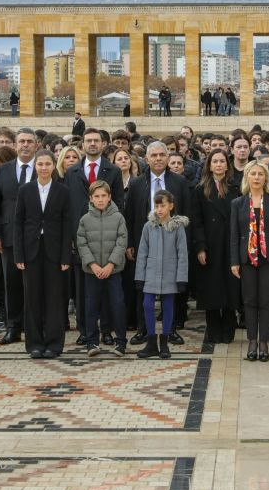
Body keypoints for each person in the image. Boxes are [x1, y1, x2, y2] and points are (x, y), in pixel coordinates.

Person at [123, 142, 191, 345]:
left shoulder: (179, 182)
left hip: (172, 243)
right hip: (145, 245)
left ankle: (172, 330)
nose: (159, 158)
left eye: (162, 154)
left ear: (168, 157)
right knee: (143, 289)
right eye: (154, 155)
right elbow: (131, 216)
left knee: (173, 290)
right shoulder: (136, 184)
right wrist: (131, 243)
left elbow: (186, 212)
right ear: (147, 158)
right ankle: (144, 329)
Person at [13, 149, 73, 358]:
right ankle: (35, 344)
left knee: (54, 299)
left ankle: (54, 344)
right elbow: (18, 223)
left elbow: (68, 224)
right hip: (31, 251)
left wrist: (66, 255)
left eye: (48, 164)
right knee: (32, 299)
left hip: (55, 252)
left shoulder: (63, 191)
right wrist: (18, 255)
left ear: (53, 166)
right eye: (40, 164)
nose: (44, 168)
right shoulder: (25, 190)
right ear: (35, 166)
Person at [64, 129, 122, 342]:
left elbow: (119, 207)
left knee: (105, 288)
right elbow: (68, 208)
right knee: (82, 290)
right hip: (81, 239)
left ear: (104, 144)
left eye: (96, 141)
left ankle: (106, 331)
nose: (92, 144)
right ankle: (85, 331)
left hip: (107, 238)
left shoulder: (113, 170)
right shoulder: (72, 172)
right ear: (82, 145)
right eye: (88, 141)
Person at [231, 160, 269, 361]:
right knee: (250, 301)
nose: (256, 177)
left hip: (268, 258)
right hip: (246, 258)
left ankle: (264, 342)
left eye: (260, 174)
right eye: (253, 174)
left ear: (266, 178)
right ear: (247, 177)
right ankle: (252, 341)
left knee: (266, 301)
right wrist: (234, 261)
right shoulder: (237, 204)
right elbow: (234, 235)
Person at [0, 129, 37, 345]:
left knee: (33, 283)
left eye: (29, 142)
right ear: (15, 145)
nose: (25, 145)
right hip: (7, 236)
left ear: (36, 145)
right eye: (21, 141)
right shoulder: (3, 170)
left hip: (35, 236)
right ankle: (13, 327)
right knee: (11, 283)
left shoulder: (44, 168)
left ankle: (34, 327)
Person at [190, 149, 240, 344]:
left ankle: (229, 326)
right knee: (211, 288)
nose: (219, 164)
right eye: (215, 161)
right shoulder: (200, 189)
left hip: (230, 243)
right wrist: (200, 247)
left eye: (222, 161)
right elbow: (197, 221)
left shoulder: (236, 187)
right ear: (209, 165)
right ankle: (213, 328)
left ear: (227, 165)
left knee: (229, 286)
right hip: (210, 244)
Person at [134, 190, 189, 359]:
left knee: (168, 306)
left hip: (170, 274)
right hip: (151, 273)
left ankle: (164, 342)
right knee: (148, 305)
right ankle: (151, 342)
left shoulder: (178, 228)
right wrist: (140, 276)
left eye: (163, 205)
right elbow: (142, 252)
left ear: (171, 206)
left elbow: (182, 254)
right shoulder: (148, 227)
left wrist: (181, 278)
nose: (159, 209)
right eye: (157, 206)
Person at [76, 180, 128, 356]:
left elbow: (122, 242)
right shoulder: (85, 219)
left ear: (109, 197)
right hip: (93, 271)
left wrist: (110, 264)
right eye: (96, 196)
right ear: (91, 199)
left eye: (103, 196)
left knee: (117, 304)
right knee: (91, 306)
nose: (100, 199)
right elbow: (81, 244)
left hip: (113, 271)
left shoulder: (118, 217)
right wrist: (93, 265)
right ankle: (92, 342)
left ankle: (121, 341)